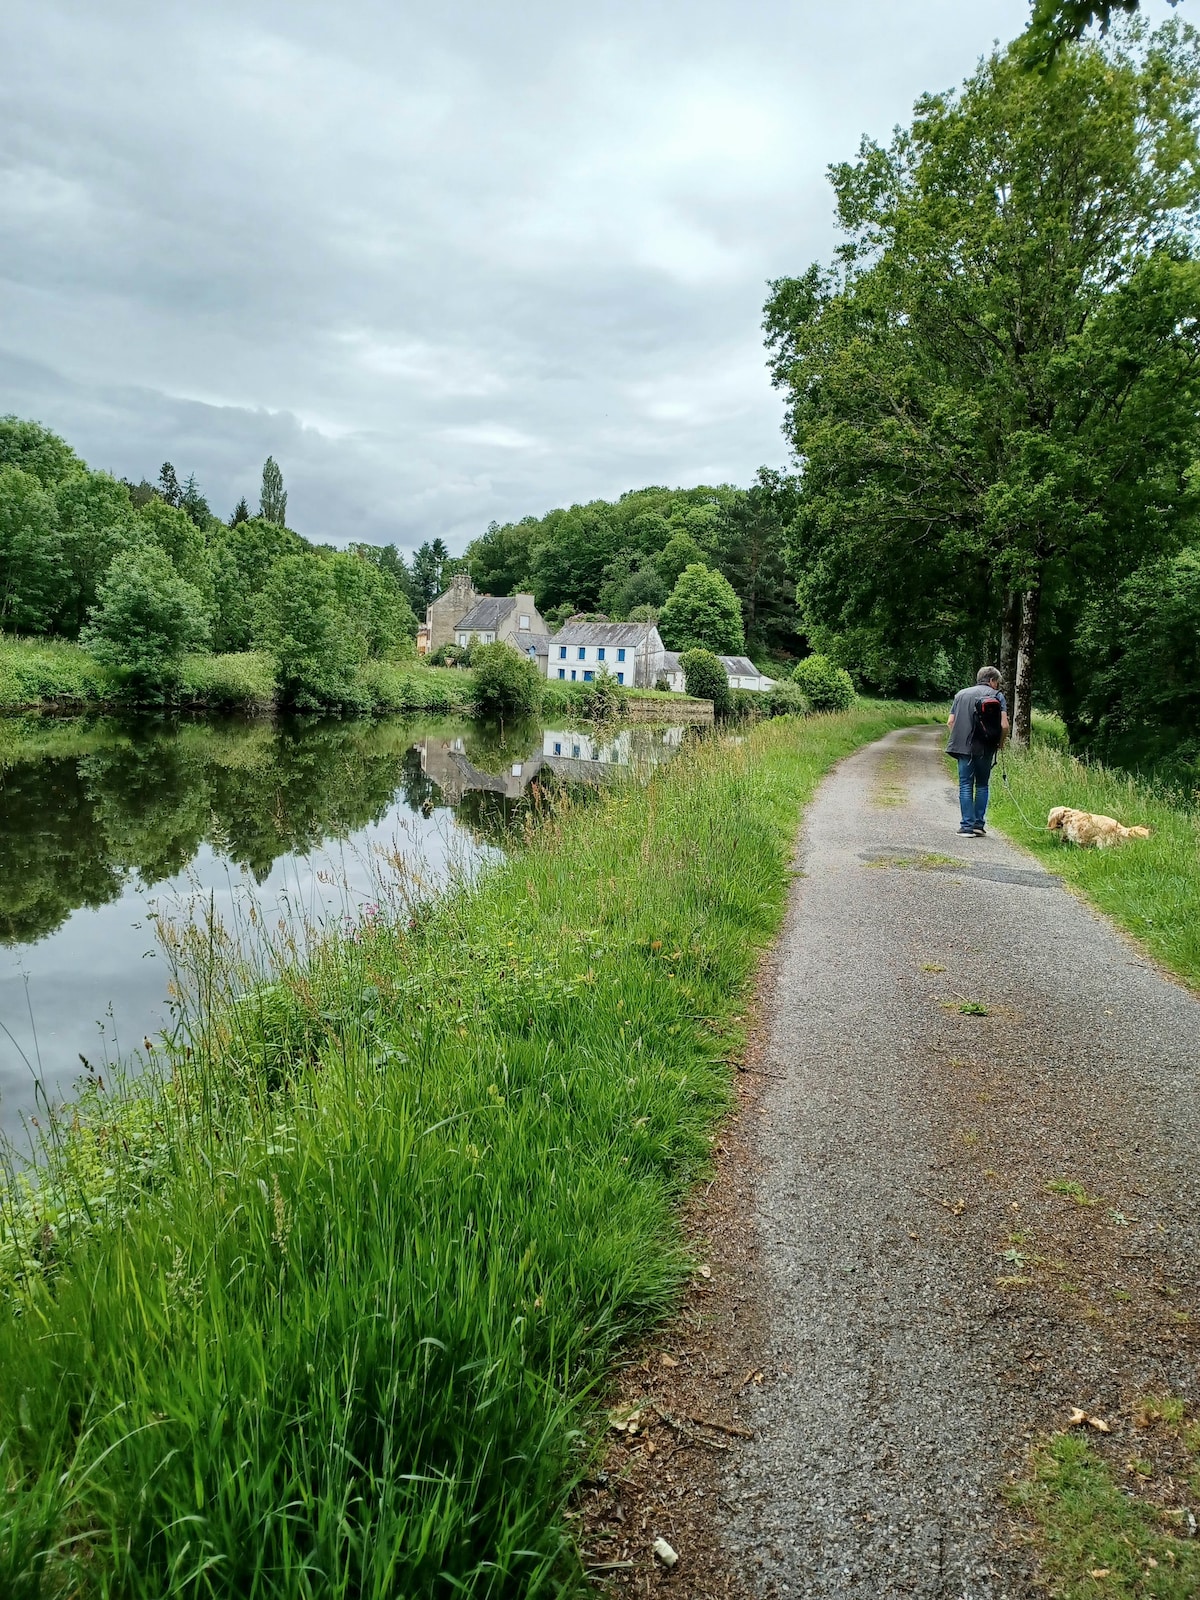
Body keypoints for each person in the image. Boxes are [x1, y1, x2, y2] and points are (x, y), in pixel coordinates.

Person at [946, 666, 1008, 837]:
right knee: (982, 785)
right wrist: (1000, 744)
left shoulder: (961, 694)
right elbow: (1004, 725)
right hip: (986, 748)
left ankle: (966, 826)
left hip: (964, 749)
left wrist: (959, 739)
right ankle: (978, 825)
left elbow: (950, 722)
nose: (997, 686)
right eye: (997, 682)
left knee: (965, 785)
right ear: (992, 680)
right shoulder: (997, 696)